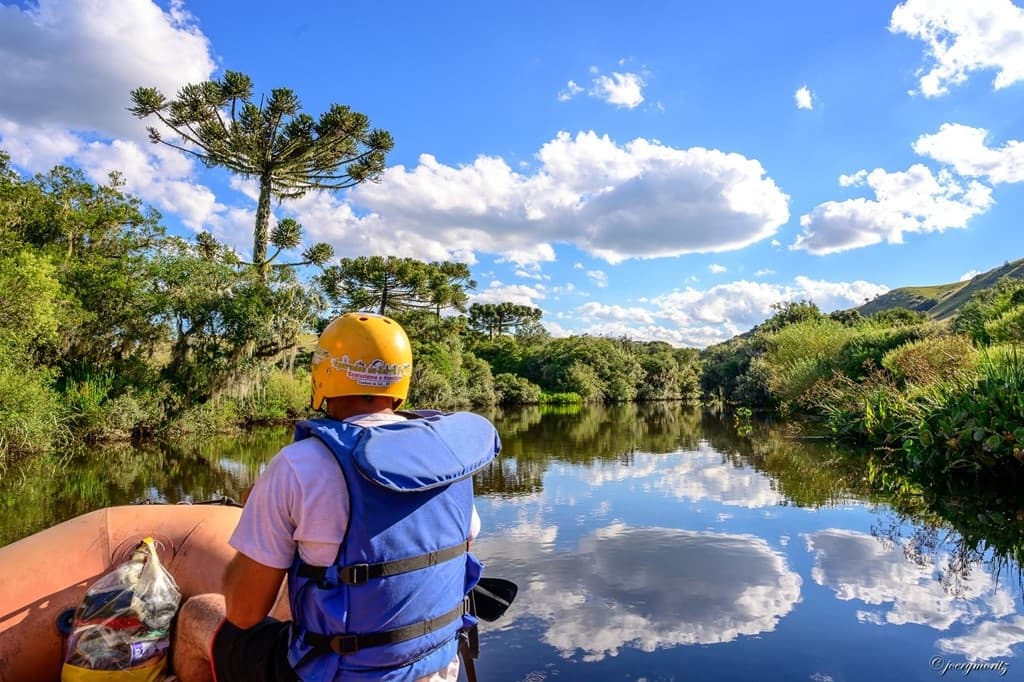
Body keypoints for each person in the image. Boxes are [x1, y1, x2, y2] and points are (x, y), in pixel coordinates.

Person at [173, 312, 501, 682]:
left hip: (334, 674)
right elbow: (459, 547)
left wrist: (255, 518)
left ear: (323, 375)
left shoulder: (298, 465)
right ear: (401, 382)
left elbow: (243, 613)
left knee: (198, 613)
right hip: (436, 666)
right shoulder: (451, 462)